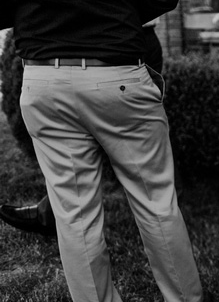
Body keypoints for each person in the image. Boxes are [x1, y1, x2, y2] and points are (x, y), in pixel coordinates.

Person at [0, 0, 211, 302]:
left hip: (44, 81)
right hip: (116, 75)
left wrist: (47, 10)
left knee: (73, 212)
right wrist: (110, 10)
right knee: (154, 199)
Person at [0, 19, 164, 238]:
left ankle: (159, 208)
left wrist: (109, 13)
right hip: (95, 37)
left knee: (141, 152)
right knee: (84, 137)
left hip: (124, 37)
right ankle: (54, 211)